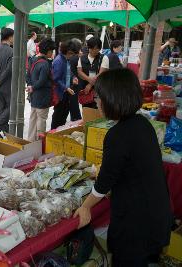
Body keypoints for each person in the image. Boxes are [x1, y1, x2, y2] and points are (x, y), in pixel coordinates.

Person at [74, 68, 172, 267]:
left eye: (98, 96)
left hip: (136, 224)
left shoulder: (117, 135)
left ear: (111, 98)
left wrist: (85, 206)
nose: (96, 100)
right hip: (157, 215)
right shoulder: (142, 123)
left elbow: (104, 183)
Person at [26, 38, 56, 141]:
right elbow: (42, 81)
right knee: (41, 120)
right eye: (51, 51)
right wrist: (33, 87)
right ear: (48, 51)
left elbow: (27, 75)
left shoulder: (33, 59)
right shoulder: (45, 64)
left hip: (34, 97)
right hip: (43, 97)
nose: (52, 53)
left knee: (33, 120)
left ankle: (30, 141)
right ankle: (40, 142)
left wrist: (30, 86)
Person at [51, 40, 80, 130]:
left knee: (64, 115)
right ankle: (54, 133)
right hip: (60, 93)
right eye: (71, 54)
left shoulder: (66, 60)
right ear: (68, 52)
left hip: (66, 92)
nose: (72, 56)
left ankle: (60, 131)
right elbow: (55, 79)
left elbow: (68, 71)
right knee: (58, 116)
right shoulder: (59, 61)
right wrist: (66, 88)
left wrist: (73, 77)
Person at [77, 37, 105, 109]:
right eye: (92, 48)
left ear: (99, 48)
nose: (94, 51)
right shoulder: (82, 58)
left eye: (96, 48)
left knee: (98, 109)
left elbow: (102, 73)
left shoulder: (104, 58)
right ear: (88, 47)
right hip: (85, 90)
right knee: (86, 109)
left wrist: (90, 84)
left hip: (99, 89)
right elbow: (79, 71)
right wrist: (89, 80)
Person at [68, 38, 83, 121]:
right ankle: (76, 118)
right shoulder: (77, 58)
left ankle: (75, 117)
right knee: (74, 103)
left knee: (73, 102)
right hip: (75, 82)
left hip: (72, 82)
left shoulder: (71, 57)